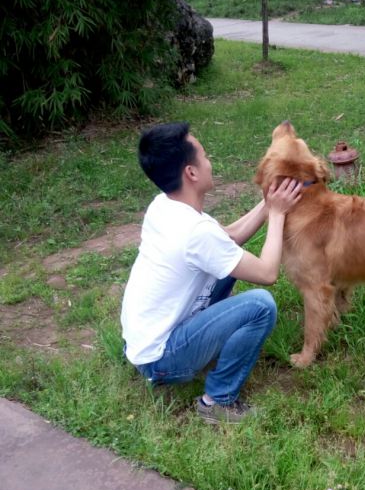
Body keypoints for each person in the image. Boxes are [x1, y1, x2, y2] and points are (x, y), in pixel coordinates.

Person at [121, 122, 302, 424]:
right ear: (191, 173)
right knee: (260, 305)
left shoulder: (164, 205)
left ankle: (199, 352)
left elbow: (228, 239)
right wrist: (278, 214)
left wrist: (268, 202)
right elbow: (268, 272)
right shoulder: (195, 233)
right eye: (204, 156)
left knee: (229, 264)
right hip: (161, 359)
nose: (210, 162)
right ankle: (218, 400)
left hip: (141, 342)